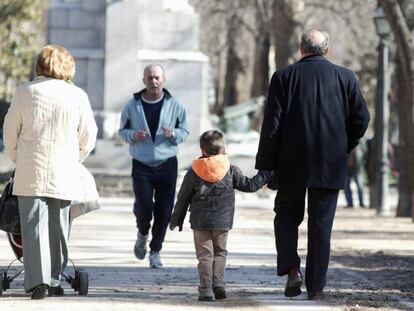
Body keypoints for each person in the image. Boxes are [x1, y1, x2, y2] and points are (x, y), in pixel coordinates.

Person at [255, 30, 370, 300]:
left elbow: (272, 124)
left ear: (300, 49)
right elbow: (362, 119)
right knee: (321, 226)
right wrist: (343, 146)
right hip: (329, 163)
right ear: (327, 50)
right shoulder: (346, 77)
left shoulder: (283, 77)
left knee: (285, 216)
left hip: (291, 162)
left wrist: (266, 164)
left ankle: (292, 269)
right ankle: (316, 288)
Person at [3, 45, 97, 299]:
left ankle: (37, 283)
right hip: (64, 170)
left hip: (29, 169)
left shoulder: (24, 92)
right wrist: (75, 158)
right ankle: (55, 279)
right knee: (59, 229)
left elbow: (10, 132)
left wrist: (18, 157)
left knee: (32, 229)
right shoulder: (78, 95)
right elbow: (88, 136)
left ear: (40, 65)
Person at [170, 130, 271, 301]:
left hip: (200, 222)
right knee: (220, 253)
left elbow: (183, 197)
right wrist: (266, 174)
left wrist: (176, 219)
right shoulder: (231, 170)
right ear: (223, 150)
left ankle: (206, 291)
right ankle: (218, 284)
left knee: (204, 256)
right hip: (222, 221)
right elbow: (250, 185)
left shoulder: (194, 171)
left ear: (202, 150)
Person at [119, 64, 189, 268]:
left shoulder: (175, 104)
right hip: (141, 164)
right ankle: (142, 233)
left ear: (163, 80)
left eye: (157, 77)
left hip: (167, 164)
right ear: (144, 81)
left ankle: (155, 251)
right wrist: (133, 135)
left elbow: (184, 131)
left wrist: (173, 134)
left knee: (165, 211)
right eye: (149, 78)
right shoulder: (133, 105)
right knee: (145, 208)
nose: (154, 81)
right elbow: (122, 131)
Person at [344, 142, 366, 208]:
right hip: (346, 166)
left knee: (360, 186)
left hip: (358, 167)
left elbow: (365, 152)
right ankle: (350, 203)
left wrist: (362, 162)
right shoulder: (345, 138)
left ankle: (361, 203)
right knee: (346, 186)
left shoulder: (361, 141)